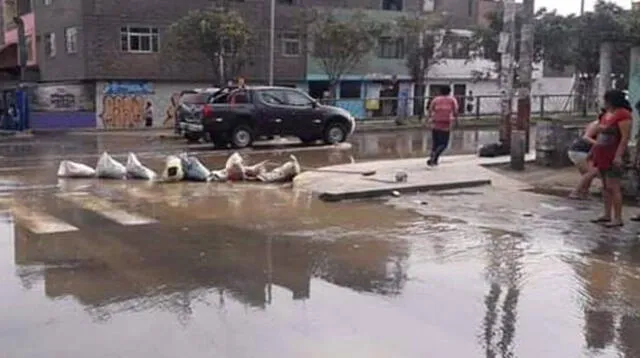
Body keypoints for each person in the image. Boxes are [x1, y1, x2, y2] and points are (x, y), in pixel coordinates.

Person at [590, 89, 632, 228]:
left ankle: (618, 217)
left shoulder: (623, 115)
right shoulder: (606, 114)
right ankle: (607, 214)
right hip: (602, 152)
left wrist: (619, 155)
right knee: (605, 186)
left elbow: (625, 137)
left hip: (613, 153)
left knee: (614, 186)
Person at [567, 108, 605, 199]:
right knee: (591, 172)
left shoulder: (601, 125)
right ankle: (576, 192)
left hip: (584, 151)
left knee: (587, 174)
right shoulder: (596, 125)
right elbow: (586, 137)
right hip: (579, 151)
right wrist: (599, 144)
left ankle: (584, 193)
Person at [426, 86, 459, 166]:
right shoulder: (452, 100)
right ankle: (434, 157)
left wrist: (428, 119)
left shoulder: (436, 99)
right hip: (446, 123)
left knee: (435, 143)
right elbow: (455, 111)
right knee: (444, 144)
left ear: (440, 91)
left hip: (436, 122)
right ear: (449, 92)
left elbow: (430, 110)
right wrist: (456, 121)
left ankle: (434, 160)